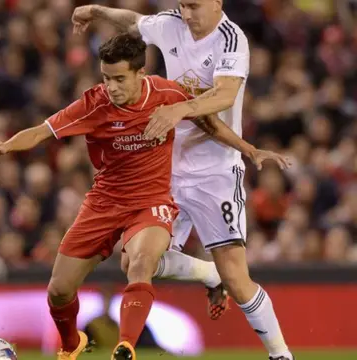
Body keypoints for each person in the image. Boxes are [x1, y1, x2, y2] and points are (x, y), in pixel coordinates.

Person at [0, 34, 288, 360]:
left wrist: (249, 149)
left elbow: (210, 124)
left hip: (150, 202)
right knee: (58, 291)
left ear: (140, 74)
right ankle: (72, 344)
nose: (111, 87)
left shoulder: (167, 94)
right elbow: (42, 131)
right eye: (105, 78)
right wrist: (6, 145)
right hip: (104, 202)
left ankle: (125, 346)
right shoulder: (94, 104)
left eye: (119, 79)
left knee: (141, 264)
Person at [71, 1, 293, 360]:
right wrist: (97, 11)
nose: (187, 14)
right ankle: (208, 273)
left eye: (194, 6)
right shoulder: (173, 24)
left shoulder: (231, 39)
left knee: (237, 279)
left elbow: (225, 94)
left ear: (217, 2)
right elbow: (135, 21)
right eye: (182, 5)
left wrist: (179, 108)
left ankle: (281, 354)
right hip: (168, 170)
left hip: (215, 172)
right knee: (135, 263)